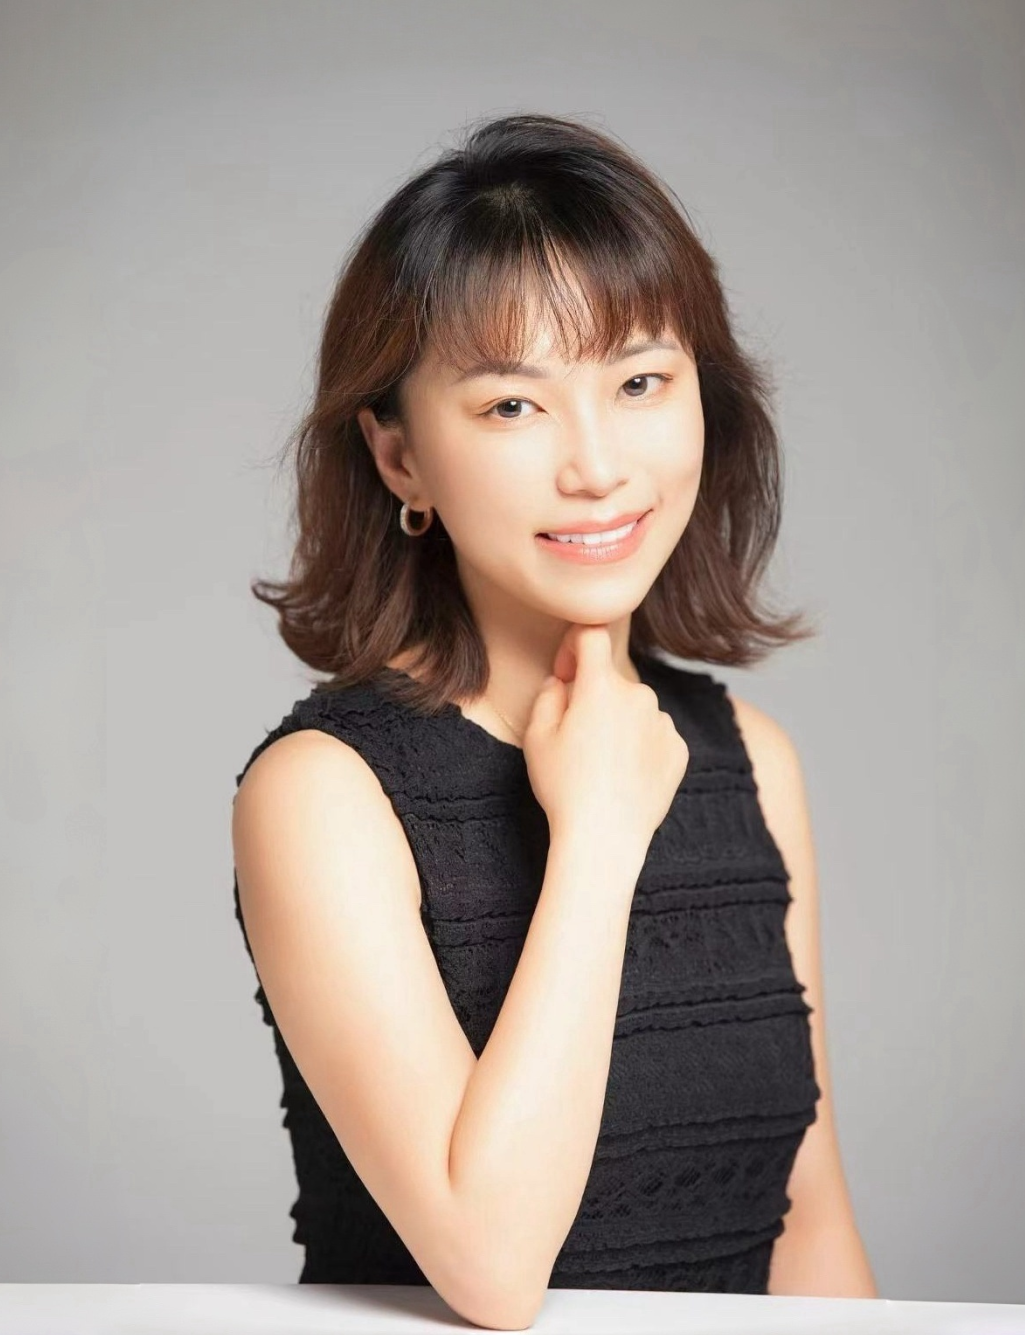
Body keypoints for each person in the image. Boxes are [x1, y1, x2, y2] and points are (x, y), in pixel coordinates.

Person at [230, 111, 877, 1327]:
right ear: (399, 458)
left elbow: (808, 1218)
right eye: (511, 408)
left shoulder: (749, 762)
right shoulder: (323, 794)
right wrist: (595, 838)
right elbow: (491, 1269)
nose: (595, 467)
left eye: (638, 383)